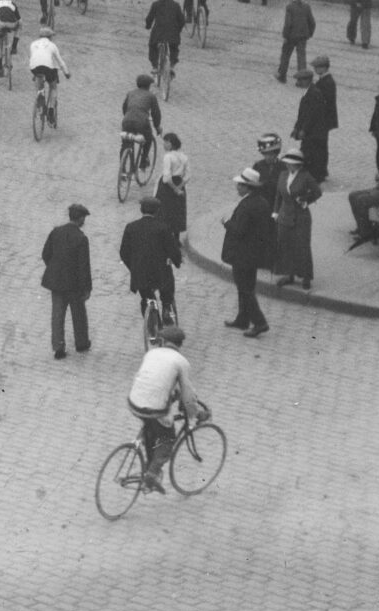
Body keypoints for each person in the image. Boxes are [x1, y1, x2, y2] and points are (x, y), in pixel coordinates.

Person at [125, 325, 208, 492]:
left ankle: (149, 468)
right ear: (179, 344)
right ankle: (152, 473)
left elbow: (156, 379)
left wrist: (172, 394)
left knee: (151, 428)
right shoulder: (181, 362)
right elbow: (188, 395)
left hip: (133, 402)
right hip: (154, 408)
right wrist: (196, 413)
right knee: (167, 438)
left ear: (163, 341)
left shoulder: (151, 353)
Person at [221, 172, 276, 337]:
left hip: (243, 253)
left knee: (244, 288)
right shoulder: (261, 202)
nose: (237, 187)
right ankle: (243, 318)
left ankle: (259, 322)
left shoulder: (247, 205)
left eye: (240, 185)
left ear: (247, 187)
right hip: (254, 252)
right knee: (247, 286)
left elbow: (239, 230)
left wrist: (227, 223)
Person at [40, 203, 93, 361]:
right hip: (74, 284)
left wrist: (55, 268)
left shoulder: (56, 231)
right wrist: (87, 288)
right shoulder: (81, 238)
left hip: (56, 282)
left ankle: (58, 348)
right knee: (79, 314)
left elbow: (46, 254)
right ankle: (81, 343)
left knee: (57, 315)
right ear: (81, 218)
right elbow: (84, 266)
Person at [119, 197, 182, 325]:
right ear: (157, 211)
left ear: (141, 210)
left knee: (146, 298)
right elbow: (173, 250)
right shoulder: (163, 228)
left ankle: (152, 325)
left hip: (141, 274)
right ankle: (166, 309)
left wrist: (134, 267)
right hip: (160, 273)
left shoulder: (131, 227)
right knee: (167, 292)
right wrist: (177, 261)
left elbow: (124, 253)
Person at [272, 152, 322, 290]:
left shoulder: (305, 177)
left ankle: (306, 276)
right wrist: (275, 212)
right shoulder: (283, 175)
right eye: (287, 162)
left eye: (291, 163)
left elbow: (317, 192)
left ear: (298, 164)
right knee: (285, 245)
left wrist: (306, 199)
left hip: (301, 216)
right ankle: (289, 274)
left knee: (302, 246)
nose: (288, 165)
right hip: (284, 214)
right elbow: (278, 195)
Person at [292, 56, 338, 181]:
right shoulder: (319, 85)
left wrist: (303, 129)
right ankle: (319, 171)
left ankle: (317, 172)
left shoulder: (324, 85)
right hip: (320, 123)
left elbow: (314, 111)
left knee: (316, 149)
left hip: (320, 124)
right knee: (318, 148)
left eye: (317, 67)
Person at [276, 0, 316, 83]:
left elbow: (288, 24)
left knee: (285, 55)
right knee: (301, 57)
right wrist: (309, 34)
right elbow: (312, 22)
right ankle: (302, 80)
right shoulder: (306, 6)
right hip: (303, 36)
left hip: (291, 36)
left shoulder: (290, 7)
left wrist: (285, 36)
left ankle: (282, 75)